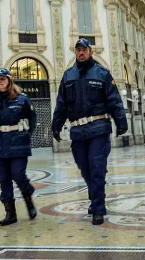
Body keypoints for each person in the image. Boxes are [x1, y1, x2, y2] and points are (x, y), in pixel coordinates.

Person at [52, 38, 128, 225]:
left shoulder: (102, 73)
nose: (81, 53)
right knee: (85, 169)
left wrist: (121, 122)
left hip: (98, 128)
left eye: (84, 50)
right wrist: (56, 124)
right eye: (78, 50)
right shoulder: (68, 76)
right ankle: (95, 198)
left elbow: (114, 100)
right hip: (78, 130)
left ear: (90, 52)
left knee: (96, 168)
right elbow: (61, 104)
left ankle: (98, 208)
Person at [0, 68, 37, 226]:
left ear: (9, 81)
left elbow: (33, 118)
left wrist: (27, 134)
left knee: (18, 173)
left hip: (18, 142)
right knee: (4, 179)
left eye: (3, 78)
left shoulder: (22, 99)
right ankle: (10, 213)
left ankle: (28, 197)